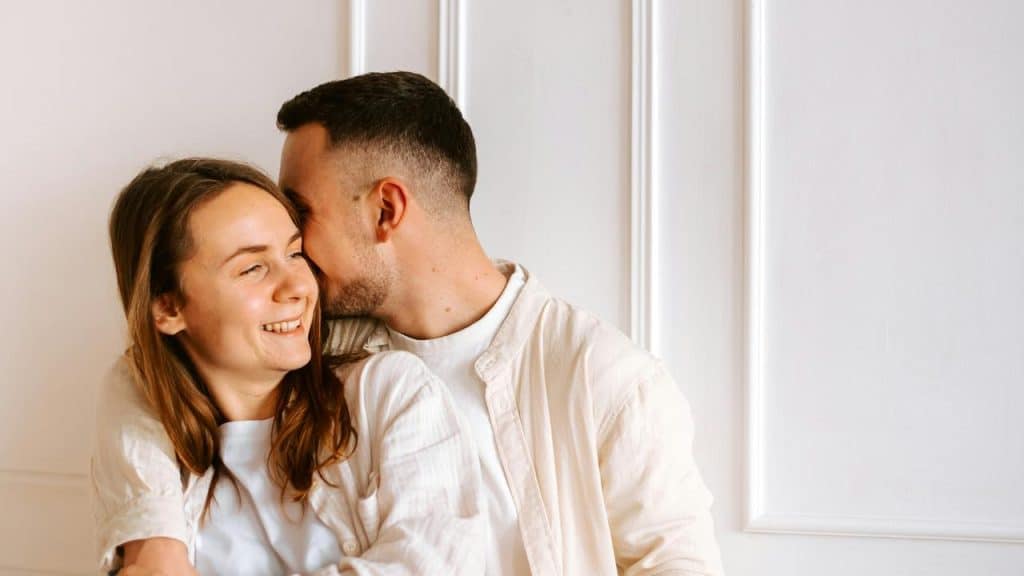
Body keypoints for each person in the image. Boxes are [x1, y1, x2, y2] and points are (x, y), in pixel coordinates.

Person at [95, 72, 724, 575]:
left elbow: (676, 564)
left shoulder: (599, 377)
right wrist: (153, 539)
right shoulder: (324, 342)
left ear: (386, 210)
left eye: (301, 214)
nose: (294, 258)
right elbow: (154, 376)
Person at [93, 158, 483, 575]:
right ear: (168, 307)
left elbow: (434, 562)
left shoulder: (389, 393)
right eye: (252, 268)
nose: (299, 285)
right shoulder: (148, 448)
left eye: (295, 253)